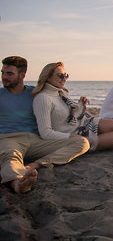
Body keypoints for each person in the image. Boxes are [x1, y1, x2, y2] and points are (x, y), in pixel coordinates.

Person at [0, 56, 89, 194]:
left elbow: (59, 102)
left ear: (22, 75)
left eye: (9, 74)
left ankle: (36, 165)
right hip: (10, 139)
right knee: (11, 157)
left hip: (37, 140)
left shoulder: (36, 93)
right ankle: (18, 184)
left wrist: (80, 104)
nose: (4, 77)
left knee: (82, 143)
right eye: (3, 73)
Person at [32, 62, 113, 152]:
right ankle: (91, 144)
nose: (64, 79)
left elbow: (74, 116)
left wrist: (81, 105)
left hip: (82, 125)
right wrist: (75, 138)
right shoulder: (43, 99)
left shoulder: (61, 93)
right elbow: (46, 133)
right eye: (60, 75)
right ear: (48, 77)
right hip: (73, 135)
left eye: (66, 75)